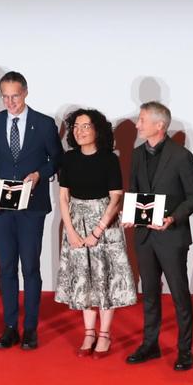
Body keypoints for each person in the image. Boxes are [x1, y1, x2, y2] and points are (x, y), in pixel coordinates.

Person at [0, 70, 58, 350]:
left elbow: (56, 160)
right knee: (7, 268)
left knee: (31, 268)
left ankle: (31, 329)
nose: (11, 102)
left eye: (15, 96)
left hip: (31, 208)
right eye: (5, 97)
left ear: (26, 92)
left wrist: (39, 174)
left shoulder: (45, 124)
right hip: (1, 207)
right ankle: (10, 327)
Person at [124, 101, 193, 371]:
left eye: (141, 120)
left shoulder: (181, 156)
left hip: (172, 236)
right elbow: (133, 190)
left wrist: (173, 218)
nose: (137, 125)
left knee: (179, 294)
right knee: (150, 293)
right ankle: (150, 344)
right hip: (144, 236)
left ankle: (184, 349)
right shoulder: (136, 154)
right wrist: (131, 215)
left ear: (160, 125)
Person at [53, 108, 135, 357]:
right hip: (75, 223)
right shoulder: (68, 159)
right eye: (75, 127)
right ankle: (88, 332)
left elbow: (116, 198)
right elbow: (63, 197)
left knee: (105, 279)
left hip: (104, 225)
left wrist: (98, 231)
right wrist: (71, 231)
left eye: (85, 126)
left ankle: (105, 334)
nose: (79, 131)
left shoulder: (109, 159)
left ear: (97, 129)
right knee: (83, 279)